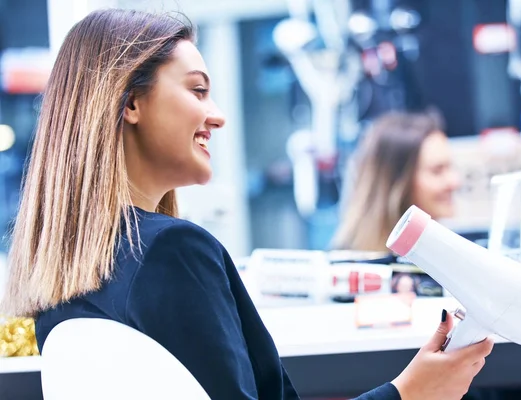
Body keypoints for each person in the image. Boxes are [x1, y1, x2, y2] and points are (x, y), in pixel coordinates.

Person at [0, 9, 492, 399]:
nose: (217, 116)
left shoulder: (66, 281)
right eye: (197, 90)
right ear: (129, 103)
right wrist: (409, 394)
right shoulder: (172, 254)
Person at [332, 110, 461, 252]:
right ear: (397, 182)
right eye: (437, 171)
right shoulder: (349, 266)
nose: (454, 182)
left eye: (450, 168)